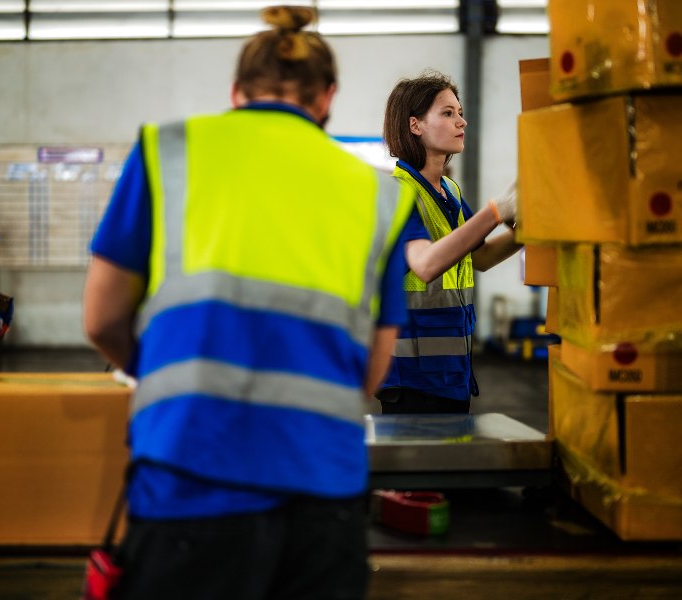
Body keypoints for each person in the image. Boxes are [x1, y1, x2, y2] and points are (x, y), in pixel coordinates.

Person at [82, 6, 414, 599]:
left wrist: (167, 373)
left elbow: (102, 317)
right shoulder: (378, 196)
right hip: (321, 492)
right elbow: (371, 374)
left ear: (236, 91)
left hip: (191, 474)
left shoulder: (170, 151)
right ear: (328, 96)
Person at [376, 71, 521, 415]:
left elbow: (480, 257)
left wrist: (526, 232)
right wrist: (497, 211)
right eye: (448, 113)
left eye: (459, 112)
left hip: (451, 375)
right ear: (415, 126)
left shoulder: (450, 192)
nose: (462, 121)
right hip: (411, 381)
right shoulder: (398, 193)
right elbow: (425, 265)